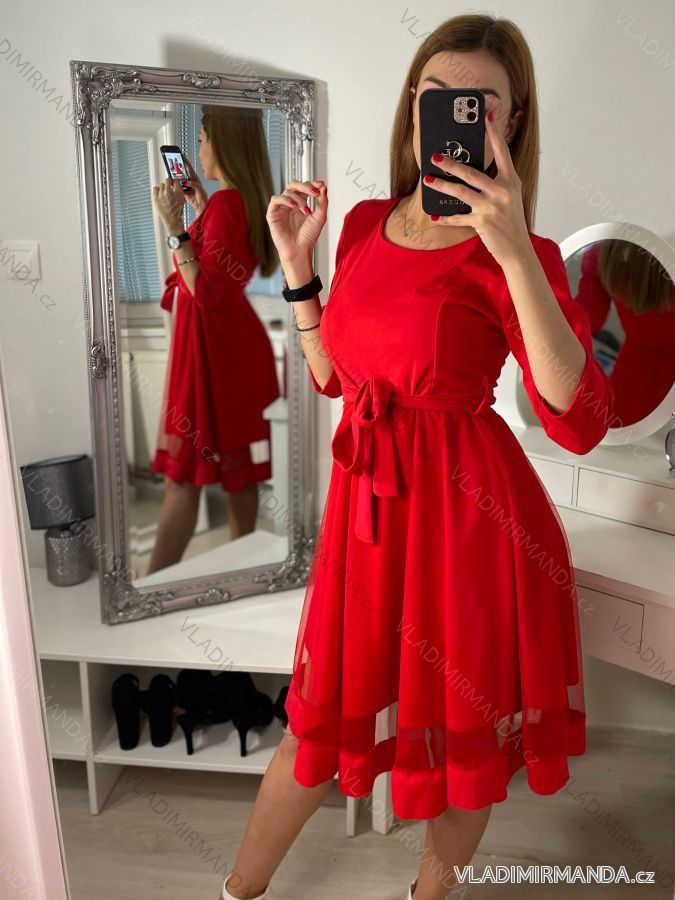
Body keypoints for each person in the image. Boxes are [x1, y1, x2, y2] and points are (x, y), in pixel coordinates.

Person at [219, 14, 614, 900]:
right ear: (412, 109)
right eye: (435, 96)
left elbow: (579, 417)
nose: (453, 115)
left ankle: (427, 896)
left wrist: (512, 249)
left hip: (464, 519)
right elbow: (335, 378)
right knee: (314, 732)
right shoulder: (362, 224)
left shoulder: (522, 254)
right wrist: (297, 268)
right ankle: (235, 891)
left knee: (460, 747)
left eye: (479, 103)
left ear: (508, 122)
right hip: (366, 516)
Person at [147, 106, 280, 574]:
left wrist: (174, 228)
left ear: (222, 142)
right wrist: (201, 209)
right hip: (229, 345)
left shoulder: (228, 204)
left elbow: (203, 290)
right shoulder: (236, 202)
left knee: (184, 475)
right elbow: (222, 270)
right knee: (237, 472)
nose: (198, 148)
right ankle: (245, 569)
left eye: (202, 138)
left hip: (213, 347)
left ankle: (149, 588)